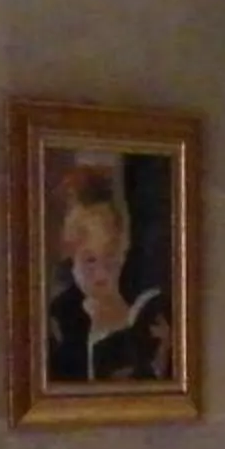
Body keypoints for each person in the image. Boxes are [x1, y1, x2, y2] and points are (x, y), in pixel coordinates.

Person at [46, 160, 173, 385]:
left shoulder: (142, 310)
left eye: (111, 258)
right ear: (71, 258)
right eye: (90, 261)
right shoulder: (61, 319)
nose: (102, 273)